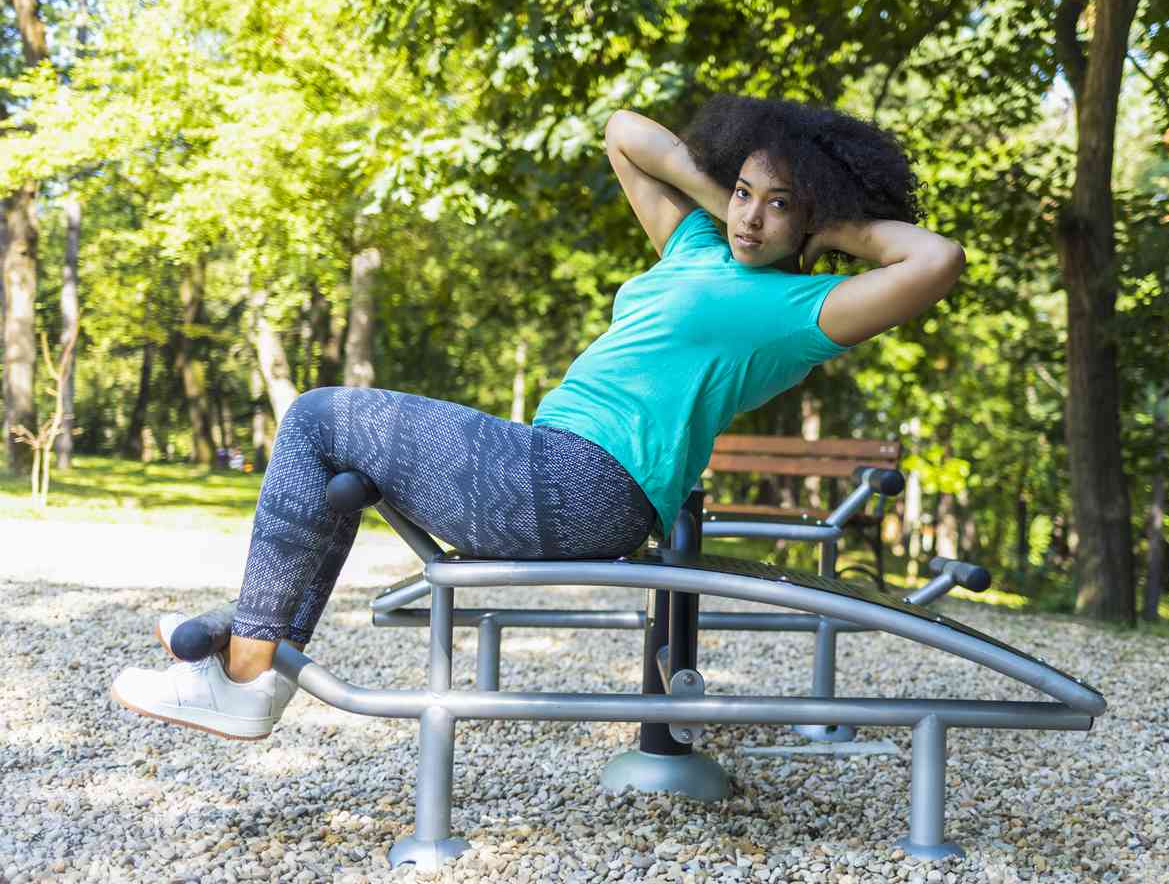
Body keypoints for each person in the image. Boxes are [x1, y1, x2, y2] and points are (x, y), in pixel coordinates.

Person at [110, 93, 966, 740]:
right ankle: (253, 657)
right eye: (744, 192)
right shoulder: (700, 242)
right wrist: (751, 190)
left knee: (316, 418)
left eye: (777, 205)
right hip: (551, 462)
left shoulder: (801, 309)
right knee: (341, 459)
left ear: (813, 217)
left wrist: (824, 220)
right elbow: (628, 131)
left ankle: (249, 671)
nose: (749, 215)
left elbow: (936, 258)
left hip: (587, 485)